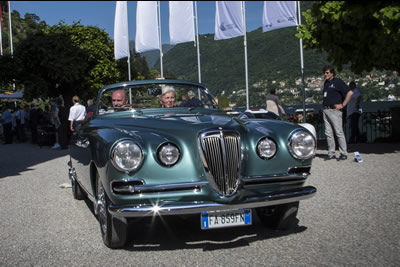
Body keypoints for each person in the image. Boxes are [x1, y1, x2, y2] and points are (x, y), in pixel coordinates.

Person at [322, 65, 353, 161]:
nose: (325, 74)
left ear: (332, 73)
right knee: (328, 133)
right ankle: (331, 153)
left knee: (338, 132)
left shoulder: (338, 82)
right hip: (326, 110)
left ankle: (343, 152)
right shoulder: (326, 83)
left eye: (327, 72)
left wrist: (342, 105)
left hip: (335, 110)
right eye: (324, 72)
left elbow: (350, 92)